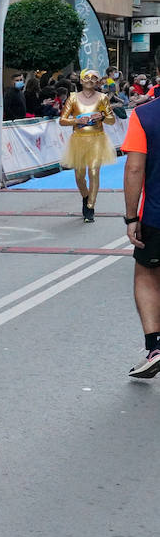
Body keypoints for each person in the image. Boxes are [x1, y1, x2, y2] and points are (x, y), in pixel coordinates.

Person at [122, 95, 160, 376]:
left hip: (156, 216)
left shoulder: (144, 115)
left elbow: (135, 167)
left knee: (147, 274)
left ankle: (155, 347)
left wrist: (131, 216)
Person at [60, 69, 117, 223]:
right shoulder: (73, 98)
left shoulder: (103, 98)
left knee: (93, 172)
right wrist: (76, 121)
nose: (90, 80)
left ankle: (90, 207)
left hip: (97, 139)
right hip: (78, 139)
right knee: (79, 176)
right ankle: (86, 196)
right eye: (86, 77)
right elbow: (62, 120)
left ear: (98, 81)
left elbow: (112, 120)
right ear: (80, 80)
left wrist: (103, 115)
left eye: (94, 78)